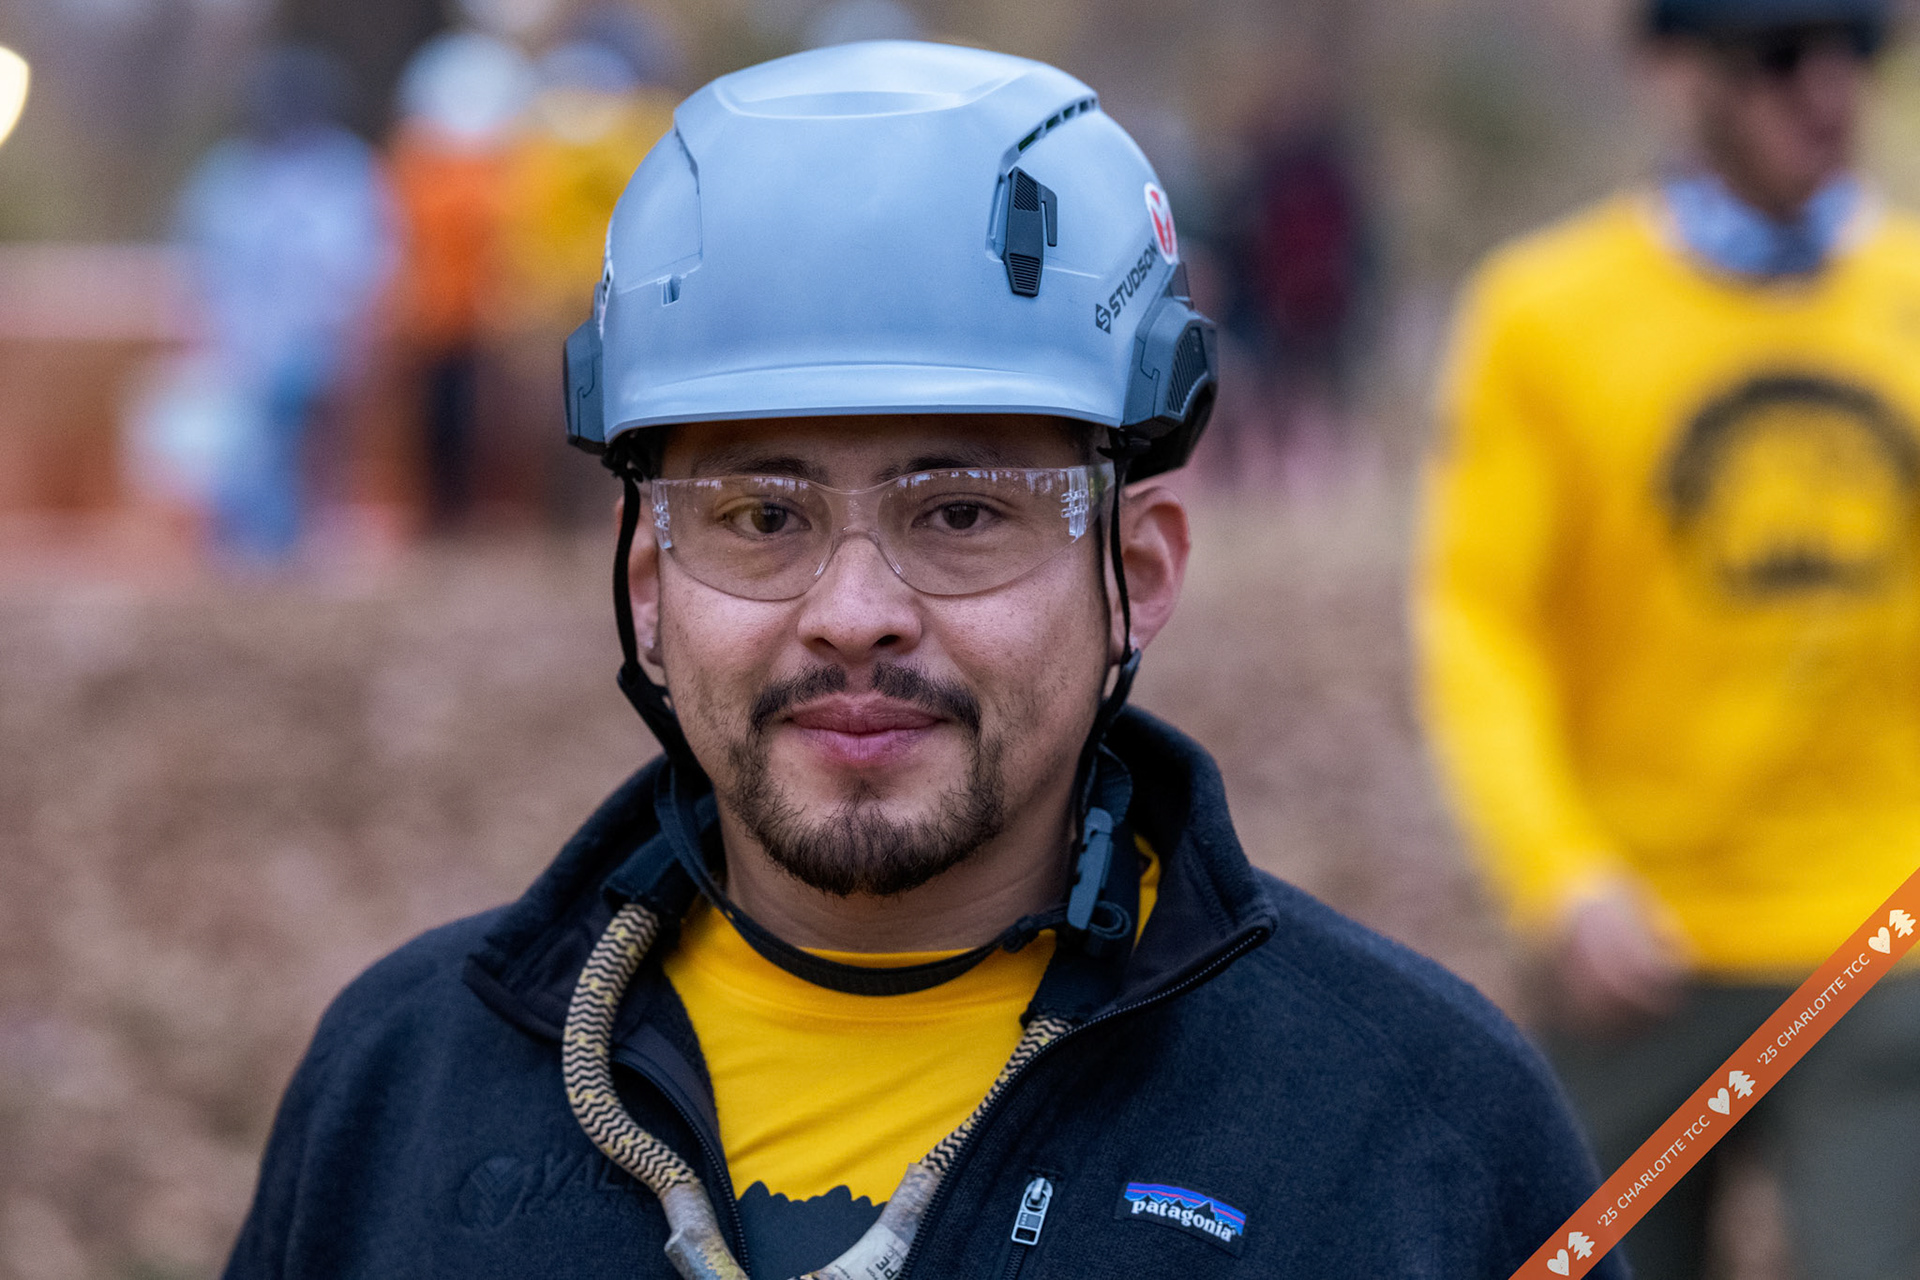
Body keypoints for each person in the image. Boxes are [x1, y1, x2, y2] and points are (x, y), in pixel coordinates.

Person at [225, 42, 1616, 1279]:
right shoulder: (400, 1094)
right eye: (761, 517)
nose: (853, 611)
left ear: (1137, 573)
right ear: (649, 585)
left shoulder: (1410, 1132)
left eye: (960, 514)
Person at [1416, 1, 1920, 1276]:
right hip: (1634, 946)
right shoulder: (1544, 319)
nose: (1827, 92)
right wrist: (1558, 872)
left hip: (1881, 933)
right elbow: (1483, 621)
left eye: (1855, 53)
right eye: (1779, 58)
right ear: (1670, 69)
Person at [173, 44, 396, 565]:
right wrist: (202, 333)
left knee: (317, 448)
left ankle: (313, 544)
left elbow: (367, 263)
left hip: (320, 341)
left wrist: (357, 333)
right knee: (246, 454)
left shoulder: (346, 170)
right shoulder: (229, 175)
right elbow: (202, 265)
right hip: (245, 344)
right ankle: (250, 549)